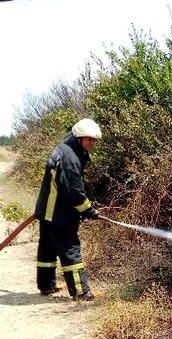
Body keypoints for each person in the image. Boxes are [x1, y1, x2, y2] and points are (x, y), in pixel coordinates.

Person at [33, 118, 102, 301]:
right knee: (70, 250)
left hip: (47, 211)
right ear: (79, 138)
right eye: (89, 140)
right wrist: (88, 210)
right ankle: (80, 292)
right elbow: (73, 191)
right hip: (59, 214)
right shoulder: (70, 158)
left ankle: (46, 286)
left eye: (94, 140)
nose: (92, 143)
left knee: (47, 248)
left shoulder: (65, 149)